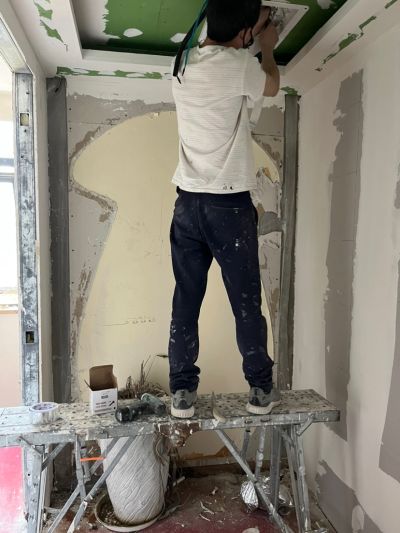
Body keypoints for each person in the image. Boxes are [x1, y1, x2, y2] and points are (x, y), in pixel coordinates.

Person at [168, 0, 281, 418]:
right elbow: (272, 84)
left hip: (187, 204)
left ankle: (182, 392)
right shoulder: (240, 66)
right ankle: (260, 390)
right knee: (245, 302)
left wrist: (244, 23)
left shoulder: (182, 64)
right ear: (244, 34)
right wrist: (267, 47)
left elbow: (215, 40)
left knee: (186, 298)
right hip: (228, 207)